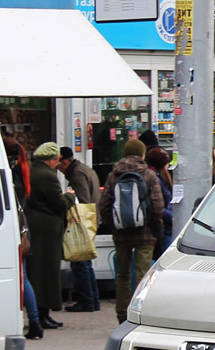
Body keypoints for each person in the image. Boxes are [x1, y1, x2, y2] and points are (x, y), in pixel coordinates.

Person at [98, 137, 164, 324]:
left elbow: (104, 205)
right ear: (142, 154)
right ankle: (139, 315)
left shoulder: (114, 175)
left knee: (123, 276)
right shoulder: (149, 175)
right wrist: (154, 227)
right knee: (143, 277)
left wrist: (114, 224)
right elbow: (158, 205)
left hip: (121, 234)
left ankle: (122, 316)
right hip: (145, 234)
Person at [24, 142, 74, 331]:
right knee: (47, 272)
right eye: (57, 160)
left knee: (37, 271)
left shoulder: (31, 170)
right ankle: (42, 314)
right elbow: (59, 204)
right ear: (52, 159)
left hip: (35, 227)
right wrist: (69, 195)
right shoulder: (47, 176)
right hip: (46, 230)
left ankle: (41, 314)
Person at [3, 136, 41, 339]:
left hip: (14, 231)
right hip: (21, 228)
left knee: (21, 278)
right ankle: (34, 321)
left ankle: (34, 321)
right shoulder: (22, 173)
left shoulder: (11, 176)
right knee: (22, 278)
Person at [57, 146, 102, 312]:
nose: (57, 167)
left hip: (82, 223)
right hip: (91, 220)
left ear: (65, 161)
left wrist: (67, 199)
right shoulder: (85, 169)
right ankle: (93, 299)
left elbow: (83, 200)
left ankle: (87, 300)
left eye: (59, 163)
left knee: (80, 263)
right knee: (86, 263)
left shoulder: (77, 174)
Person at [145, 146, 174, 259]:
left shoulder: (154, 177)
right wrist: (172, 217)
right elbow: (158, 206)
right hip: (163, 227)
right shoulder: (157, 179)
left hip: (161, 226)